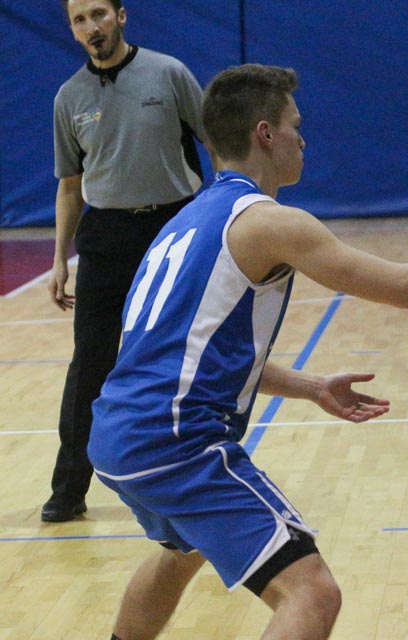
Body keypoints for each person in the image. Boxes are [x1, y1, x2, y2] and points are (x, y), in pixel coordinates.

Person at [87, 64, 408, 640]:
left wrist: (310, 386)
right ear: (265, 134)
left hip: (116, 436)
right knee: (312, 595)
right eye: (296, 126)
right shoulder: (267, 223)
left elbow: (185, 356)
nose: (303, 139)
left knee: (183, 550)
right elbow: (406, 289)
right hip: (177, 443)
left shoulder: (184, 222)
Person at [42, 0, 209, 522]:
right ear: (73, 31)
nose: (91, 27)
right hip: (105, 237)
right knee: (90, 362)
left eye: (98, 14)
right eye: (79, 20)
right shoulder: (69, 97)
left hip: (173, 229)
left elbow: (218, 144)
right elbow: (70, 186)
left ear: (120, 16)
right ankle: (69, 488)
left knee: (182, 356)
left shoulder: (169, 73)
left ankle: (196, 475)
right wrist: (59, 259)